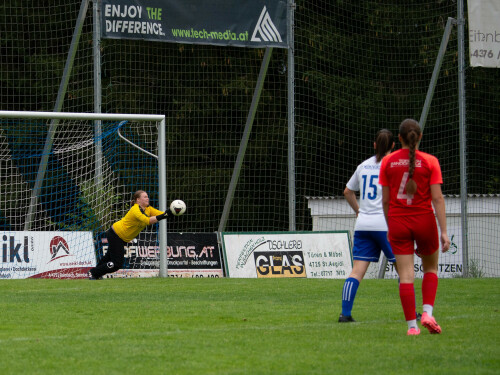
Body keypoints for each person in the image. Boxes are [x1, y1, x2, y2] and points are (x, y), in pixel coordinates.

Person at [379, 119, 450, 336]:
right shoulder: (430, 161)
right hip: (424, 220)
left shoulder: (387, 162)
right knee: (430, 269)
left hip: (399, 220)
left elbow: (385, 201)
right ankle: (427, 312)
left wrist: (391, 225)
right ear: (419, 137)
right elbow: (437, 199)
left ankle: (412, 327)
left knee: (406, 275)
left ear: (398, 138)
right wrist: (444, 232)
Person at [339, 129, 396, 323]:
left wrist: (358, 210)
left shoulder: (363, 166)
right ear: (393, 146)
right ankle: (412, 314)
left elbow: (348, 191)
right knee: (404, 271)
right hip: (385, 224)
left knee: (356, 272)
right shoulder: (394, 166)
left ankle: (345, 314)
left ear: (374, 145)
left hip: (363, 224)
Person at [88, 190, 172, 280]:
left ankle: (95, 274)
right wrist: (165, 215)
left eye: (147, 196)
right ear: (138, 200)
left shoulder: (148, 209)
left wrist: (171, 211)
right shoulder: (135, 209)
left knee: (108, 257)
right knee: (116, 264)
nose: (147, 198)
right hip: (116, 234)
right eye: (145, 197)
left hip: (121, 237)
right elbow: (147, 221)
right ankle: (93, 272)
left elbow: (161, 214)